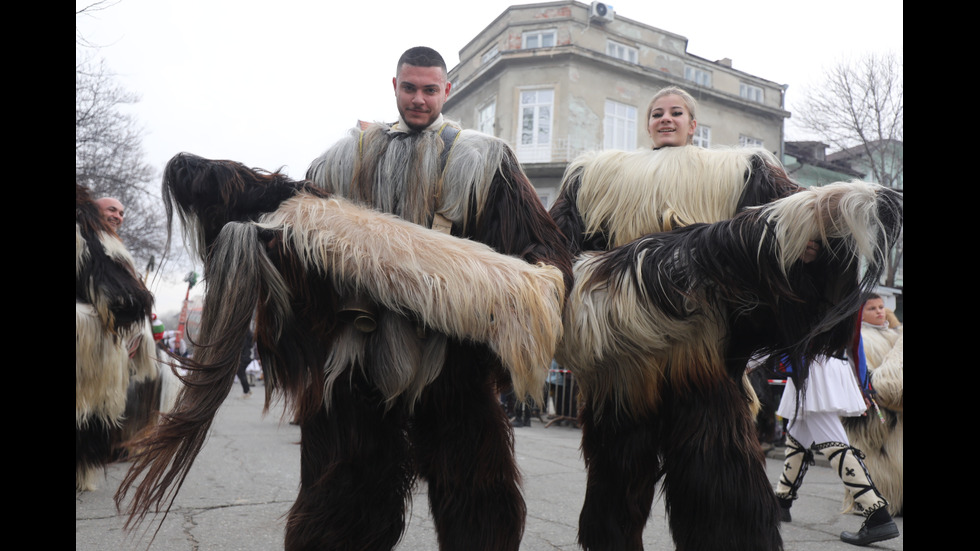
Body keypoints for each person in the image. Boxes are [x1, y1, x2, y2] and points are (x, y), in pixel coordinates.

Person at [299, 46, 572, 551]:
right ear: (395, 86)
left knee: (477, 494)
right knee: (343, 493)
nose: (419, 99)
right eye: (410, 88)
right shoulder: (346, 158)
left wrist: (529, 292)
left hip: (453, 357)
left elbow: (540, 244)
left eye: (430, 89)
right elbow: (304, 237)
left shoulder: (484, 158)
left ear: (446, 91)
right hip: (362, 355)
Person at [773, 348, 900, 546]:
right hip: (818, 366)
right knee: (797, 433)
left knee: (835, 443)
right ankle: (782, 501)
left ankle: (877, 514)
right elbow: (855, 341)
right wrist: (862, 380)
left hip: (813, 368)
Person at [842, 294, 903, 517]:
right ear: (860, 314)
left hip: (895, 414)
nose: (880, 312)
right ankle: (871, 500)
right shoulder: (861, 339)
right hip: (872, 415)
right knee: (874, 460)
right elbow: (873, 380)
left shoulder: (892, 334)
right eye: (872, 309)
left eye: (881, 307)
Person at [236, 329, 253, 398]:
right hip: (247, 357)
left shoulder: (244, 338)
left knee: (241, 374)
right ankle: (247, 390)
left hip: (243, 358)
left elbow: (241, 348)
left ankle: (246, 391)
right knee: (242, 374)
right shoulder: (249, 337)